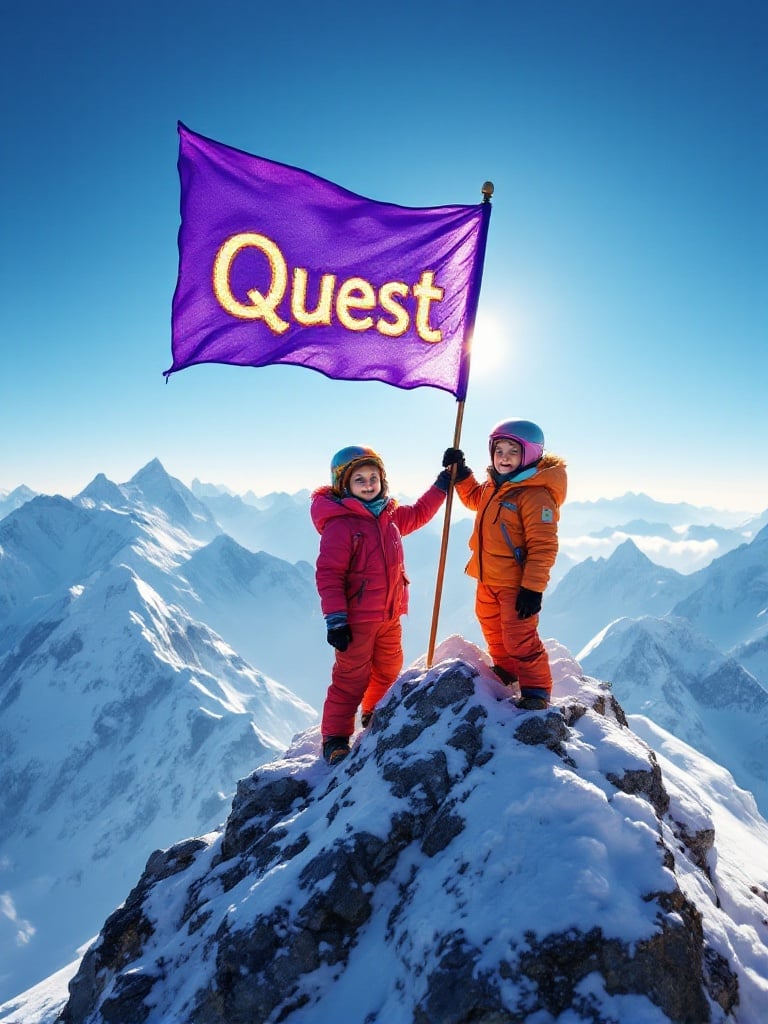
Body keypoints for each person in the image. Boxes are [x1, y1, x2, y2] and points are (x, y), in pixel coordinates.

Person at [311, 445, 450, 766]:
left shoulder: (388, 516)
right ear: (342, 485)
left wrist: (442, 485)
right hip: (356, 620)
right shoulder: (340, 525)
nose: (368, 483)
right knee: (350, 678)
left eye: (373, 477)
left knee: (388, 669)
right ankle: (335, 737)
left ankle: (375, 712)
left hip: (389, 614)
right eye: (359, 479)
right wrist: (335, 619)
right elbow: (329, 574)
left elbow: (418, 513)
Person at [443, 419, 567, 710]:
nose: (504, 457)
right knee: (493, 629)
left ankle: (536, 690)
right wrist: (461, 473)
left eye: (514, 450)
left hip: (515, 584)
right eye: (499, 450)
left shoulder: (535, 494)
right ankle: (506, 670)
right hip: (486, 578)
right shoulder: (493, 486)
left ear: (531, 455)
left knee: (519, 636)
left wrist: (533, 588)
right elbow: (475, 498)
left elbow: (543, 545)